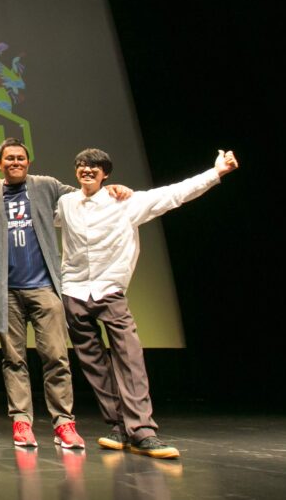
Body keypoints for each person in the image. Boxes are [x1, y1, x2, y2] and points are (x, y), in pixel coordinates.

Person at [56, 148, 239, 459]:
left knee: (130, 359)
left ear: (105, 174)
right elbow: (30, 211)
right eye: (82, 165)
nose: (86, 170)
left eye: (94, 167)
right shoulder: (66, 203)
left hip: (110, 290)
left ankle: (142, 431)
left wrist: (217, 172)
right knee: (93, 364)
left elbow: (175, 194)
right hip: (74, 291)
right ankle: (118, 426)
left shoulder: (126, 202)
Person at [0, 138, 131, 450]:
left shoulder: (46, 185)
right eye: (9, 159)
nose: (15, 162)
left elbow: (86, 196)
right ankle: (21, 422)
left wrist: (113, 189)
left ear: (28, 162)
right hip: (6, 291)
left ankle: (64, 424)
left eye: (20, 158)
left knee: (56, 357)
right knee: (13, 360)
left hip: (44, 287)